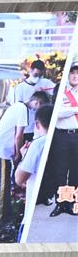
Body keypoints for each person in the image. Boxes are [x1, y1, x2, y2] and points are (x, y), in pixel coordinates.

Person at [0, 91, 50, 224]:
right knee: (3, 187)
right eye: (41, 105)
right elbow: (18, 136)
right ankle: (1, 220)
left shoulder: (18, 106)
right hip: (1, 151)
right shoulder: (23, 110)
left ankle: (2, 215)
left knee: (1, 185)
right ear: (37, 101)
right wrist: (18, 155)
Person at [47, 63, 78, 217]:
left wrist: (69, 111)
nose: (75, 76)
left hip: (77, 135)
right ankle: (60, 204)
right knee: (60, 171)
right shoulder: (61, 91)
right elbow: (57, 113)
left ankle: (70, 203)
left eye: (77, 73)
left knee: (75, 171)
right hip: (62, 136)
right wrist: (75, 109)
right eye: (72, 73)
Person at [16, 105, 54, 216]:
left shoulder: (38, 145)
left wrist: (24, 156)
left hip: (34, 211)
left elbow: (19, 178)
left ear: (37, 124)